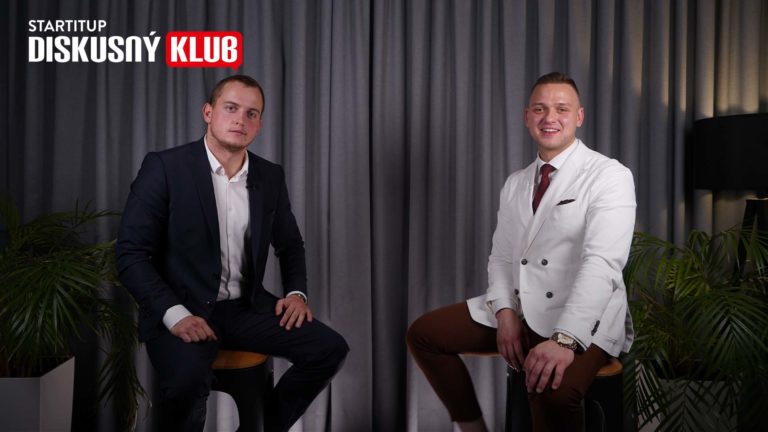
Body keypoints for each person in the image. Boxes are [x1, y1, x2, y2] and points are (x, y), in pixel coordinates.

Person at [116, 75, 349, 432]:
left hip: (246, 308)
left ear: (259, 124)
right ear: (208, 112)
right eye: (231, 108)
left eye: (252, 113)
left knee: (329, 349)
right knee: (187, 383)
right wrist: (175, 315)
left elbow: (290, 245)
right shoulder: (165, 167)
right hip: (182, 307)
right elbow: (131, 255)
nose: (241, 119)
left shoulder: (269, 176)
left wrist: (296, 294)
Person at [406, 72, 636, 432]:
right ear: (527, 116)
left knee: (551, 391)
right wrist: (505, 312)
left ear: (579, 117)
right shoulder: (516, 182)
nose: (550, 118)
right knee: (424, 334)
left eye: (562, 109)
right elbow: (501, 257)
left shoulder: (609, 175)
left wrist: (564, 339)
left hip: (583, 315)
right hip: (524, 303)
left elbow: (602, 263)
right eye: (540, 109)